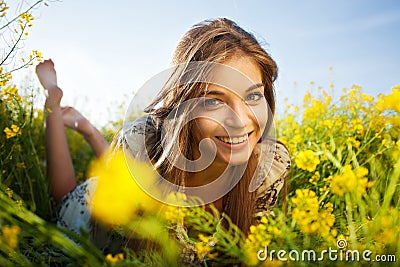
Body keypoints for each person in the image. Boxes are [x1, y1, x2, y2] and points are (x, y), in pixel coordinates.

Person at [36, 18, 291, 261]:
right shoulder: (139, 145)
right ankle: (53, 101)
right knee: (64, 198)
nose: (241, 120)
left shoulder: (267, 168)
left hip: (135, 174)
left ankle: (88, 129)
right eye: (214, 100)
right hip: (96, 204)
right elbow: (105, 252)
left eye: (253, 96)